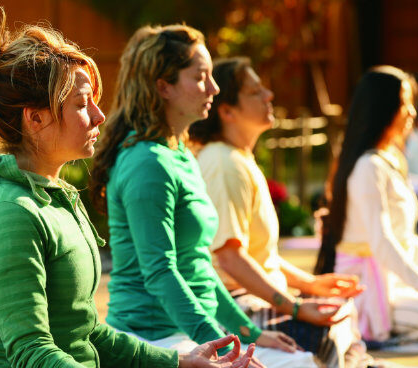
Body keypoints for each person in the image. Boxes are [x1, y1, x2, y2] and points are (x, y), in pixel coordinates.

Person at [0, 14, 256, 368]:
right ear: (35, 118)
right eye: (81, 105)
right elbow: (30, 352)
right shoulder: (11, 214)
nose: (99, 116)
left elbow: (89, 331)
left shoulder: (56, 198)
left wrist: (180, 362)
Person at [90, 25, 316, 368]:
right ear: (163, 87)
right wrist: (224, 348)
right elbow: (160, 272)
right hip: (155, 338)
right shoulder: (147, 163)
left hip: (192, 331)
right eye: (200, 77)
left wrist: (246, 334)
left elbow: (199, 266)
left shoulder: (178, 153)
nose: (214, 87)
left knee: (301, 358)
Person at [189, 57, 371, 367]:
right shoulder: (223, 163)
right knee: (331, 330)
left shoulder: (236, 157)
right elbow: (230, 258)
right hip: (236, 306)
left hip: (256, 298)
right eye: (255, 91)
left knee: (341, 311)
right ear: (227, 111)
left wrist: (310, 285)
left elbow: (260, 256)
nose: (268, 96)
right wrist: (297, 308)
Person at [314, 66, 418, 344]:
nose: (413, 112)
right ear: (384, 108)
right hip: (367, 284)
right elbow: (383, 242)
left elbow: (406, 240)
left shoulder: (390, 161)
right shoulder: (368, 166)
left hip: (392, 275)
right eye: (406, 103)